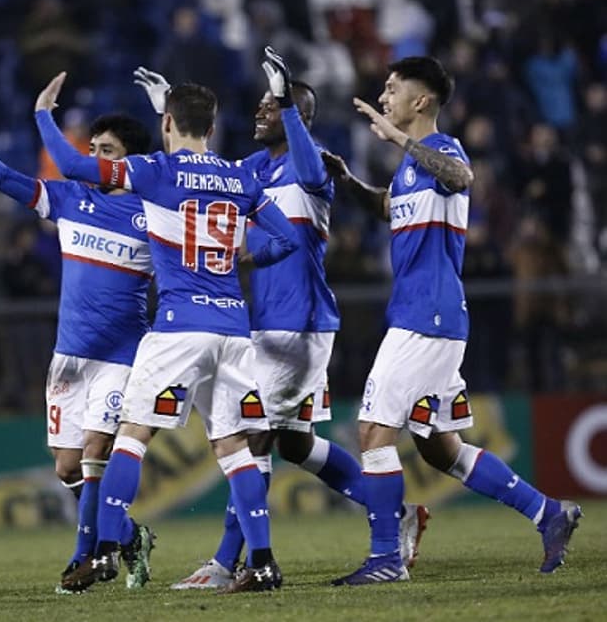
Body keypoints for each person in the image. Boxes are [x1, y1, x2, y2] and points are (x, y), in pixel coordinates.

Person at [132, 49, 430, 591]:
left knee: (250, 437)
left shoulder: (308, 162)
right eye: (265, 105)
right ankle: (395, 513)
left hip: (299, 322)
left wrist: (289, 103)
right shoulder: (246, 170)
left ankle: (227, 564)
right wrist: (167, 114)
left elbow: (317, 174)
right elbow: (184, 174)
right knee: (291, 442)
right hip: (258, 323)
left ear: (299, 115)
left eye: (276, 106)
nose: (261, 112)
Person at [35, 71, 302, 594]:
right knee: (234, 448)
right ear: (214, 125)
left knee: (131, 438)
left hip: (179, 327)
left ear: (167, 123)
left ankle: (108, 550)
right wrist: (245, 254)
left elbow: (69, 165)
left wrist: (44, 114)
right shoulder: (239, 177)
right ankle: (265, 562)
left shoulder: (156, 170)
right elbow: (288, 239)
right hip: (232, 326)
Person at [320, 56, 582, 585]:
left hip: (427, 316)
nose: (384, 95)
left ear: (421, 101)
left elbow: (462, 177)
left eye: (393, 88)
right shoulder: (413, 169)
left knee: (373, 431)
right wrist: (347, 181)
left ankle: (386, 560)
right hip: (429, 317)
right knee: (440, 448)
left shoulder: (442, 150)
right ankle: (548, 512)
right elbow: (390, 207)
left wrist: (398, 138)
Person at [0, 101, 156, 591]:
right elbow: (10, 181)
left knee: (94, 456)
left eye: (107, 152)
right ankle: (129, 537)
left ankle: (86, 558)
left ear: (127, 162)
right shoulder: (70, 199)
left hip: (121, 357)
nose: (95, 158)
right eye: (94, 149)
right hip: (70, 358)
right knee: (66, 466)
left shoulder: (151, 214)